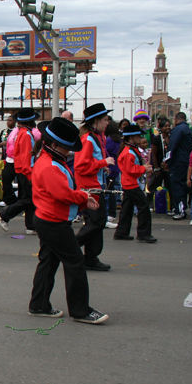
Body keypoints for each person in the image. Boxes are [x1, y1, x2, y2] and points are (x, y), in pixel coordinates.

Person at [28, 117, 108, 324]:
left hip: (48, 219)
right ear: (55, 145)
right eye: (67, 147)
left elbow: (63, 191)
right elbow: (62, 194)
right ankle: (80, 310)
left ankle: (39, 305)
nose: (70, 151)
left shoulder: (50, 160)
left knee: (48, 262)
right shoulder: (50, 165)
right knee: (75, 262)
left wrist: (81, 196)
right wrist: (83, 197)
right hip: (53, 222)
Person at [74, 103, 114, 271]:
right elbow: (80, 166)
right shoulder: (88, 139)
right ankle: (72, 247)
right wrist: (103, 162)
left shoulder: (95, 137)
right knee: (97, 222)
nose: (107, 123)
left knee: (96, 222)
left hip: (94, 186)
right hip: (89, 189)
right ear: (95, 121)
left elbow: (89, 162)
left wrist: (100, 166)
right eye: (105, 120)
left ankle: (91, 257)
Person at [0, 108, 39, 234]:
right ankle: (5, 215)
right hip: (26, 170)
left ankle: (30, 227)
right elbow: (27, 157)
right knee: (28, 199)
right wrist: (30, 175)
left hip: (21, 169)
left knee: (29, 198)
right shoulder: (26, 134)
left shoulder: (21, 132)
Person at [113, 125, 156, 243]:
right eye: (138, 136)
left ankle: (121, 232)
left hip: (129, 183)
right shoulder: (129, 152)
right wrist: (144, 169)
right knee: (143, 207)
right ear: (131, 137)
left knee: (127, 209)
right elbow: (131, 170)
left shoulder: (130, 150)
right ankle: (143, 233)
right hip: (131, 184)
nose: (140, 137)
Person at [167, 112, 192, 219]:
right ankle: (180, 208)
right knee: (183, 186)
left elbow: (172, 145)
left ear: (176, 119)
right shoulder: (188, 129)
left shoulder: (178, 129)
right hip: (185, 160)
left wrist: (166, 160)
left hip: (177, 161)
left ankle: (180, 210)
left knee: (177, 186)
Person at [148, 117, 171, 210]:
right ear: (161, 128)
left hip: (168, 166)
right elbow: (153, 154)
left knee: (169, 185)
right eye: (165, 126)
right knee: (154, 185)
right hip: (158, 165)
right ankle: (150, 204)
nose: (168, 128)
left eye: (169, 126)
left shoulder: (172, 138)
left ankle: (170, 205)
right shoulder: (157, 139)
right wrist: (156, 168)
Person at [104, 120, 122, 225]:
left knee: (108, 192)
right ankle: (112, 212)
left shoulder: (109, 141)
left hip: (108, 167)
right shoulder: (119, 140)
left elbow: (104, 152)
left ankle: (110, 213)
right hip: (115, 168)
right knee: (112, 191)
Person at [0, 115, 18, 207]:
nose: (8, 122)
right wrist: (3, 143)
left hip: (18, 159)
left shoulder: (18, 131)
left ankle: (18, 197)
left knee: (19, 180)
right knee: (6, 178)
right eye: (7, 120)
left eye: (10, 120)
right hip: (7, 158)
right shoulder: (4, 132)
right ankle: (8, 199)